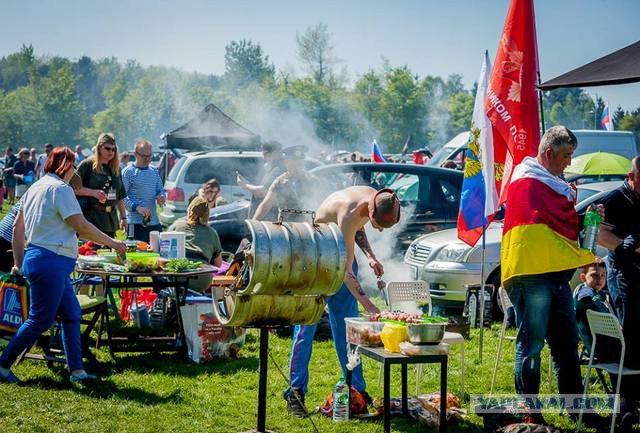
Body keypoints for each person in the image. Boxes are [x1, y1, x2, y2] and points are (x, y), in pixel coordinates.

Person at [501, 126, 604, 426]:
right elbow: (546, 221)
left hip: (555, 276)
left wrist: (586, 218)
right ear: (548, 153)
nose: (569, 163)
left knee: (567, 343)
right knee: (532, 345)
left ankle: (576, 410)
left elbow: (555, 223)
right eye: (565, 156)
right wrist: (576, 218)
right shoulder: (527, 180)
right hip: (530, 273)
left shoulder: (552, 185)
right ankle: (530, 412)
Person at [0, 147, 126, 385]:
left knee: (71, 314)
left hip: (42, 260)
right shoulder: (61, 189)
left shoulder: (35, 188)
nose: (75, 170)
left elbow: (18, 227)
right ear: (66, 166)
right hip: (51, 262)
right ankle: (3, 365)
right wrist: (113, 243)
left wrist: (18, 262)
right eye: (74, 165)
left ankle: (76, 370)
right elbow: (82, 226)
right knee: (40, 320)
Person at [283, 186, 401, 418]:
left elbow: (357, 229)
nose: (376, 228)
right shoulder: (348, 212)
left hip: (340, 253)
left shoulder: (374, 196)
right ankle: (295, 392)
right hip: (317, 257)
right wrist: (367, 302)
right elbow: (347, 272)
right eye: (377, 224)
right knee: (306, 327)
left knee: (349, 330)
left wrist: (370, 255)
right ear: (370, 207)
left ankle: (357, 389)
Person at [597, 155, 640, 420]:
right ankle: (624, 401)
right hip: (621, 273)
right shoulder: (615, 198)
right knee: (629, 332)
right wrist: (628, 247)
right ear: (631, 176)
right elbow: (601, 235)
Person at [75, 133, 127, 238]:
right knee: (91, 252)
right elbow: (72, 188)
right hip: (90, 219)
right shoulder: (87, 165)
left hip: (110, 221)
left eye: (114, 149)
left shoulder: (116, 169)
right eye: (107, 148)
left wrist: (124, 218)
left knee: (109, 253)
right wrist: (93, 193)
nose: (111, 152)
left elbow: (120, 196)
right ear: (99, 147)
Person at [253, 145, 321, 222]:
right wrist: (254, 222)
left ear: (303, 164)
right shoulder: (280, 181)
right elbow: (266, 205)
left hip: (307, 227)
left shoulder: (312, 180)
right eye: (293, 165)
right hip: (286, 228)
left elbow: (321, 204)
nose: (296, 168)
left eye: (299, 165)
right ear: (286, 163)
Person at [168, 197, 222, 291]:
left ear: (189, 210)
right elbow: (218, 264)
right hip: (203, 280)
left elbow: (164, 248)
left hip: (179, 276)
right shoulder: (212, 233)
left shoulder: (177, 225)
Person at [121, 139, 165, 242]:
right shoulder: (128, 172)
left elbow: (160, 190)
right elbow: (122, 197)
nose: (147, 159)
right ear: (135, 154)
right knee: (136, 256)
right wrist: (137, 207)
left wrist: (161, 197)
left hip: (154, 222)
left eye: (149, 156)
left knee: (158, 254)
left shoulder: (154, 171)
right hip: (135, 224)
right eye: (144, 156)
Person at [573, 259, 613, 355]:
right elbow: (585, 298)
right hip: (605, 350)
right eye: (594, 275)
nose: (600, 279)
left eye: (603, 275)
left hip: (600, 347)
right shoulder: (587, 294)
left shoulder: (597, 293)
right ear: (583, 277)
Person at [237, 140, 286, 215]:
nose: (264, 157)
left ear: (275, 153)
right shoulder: (274, 168)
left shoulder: (278, 169)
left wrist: (245, 185)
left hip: (269, 217)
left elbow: (262, 192)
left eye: (265, 154)